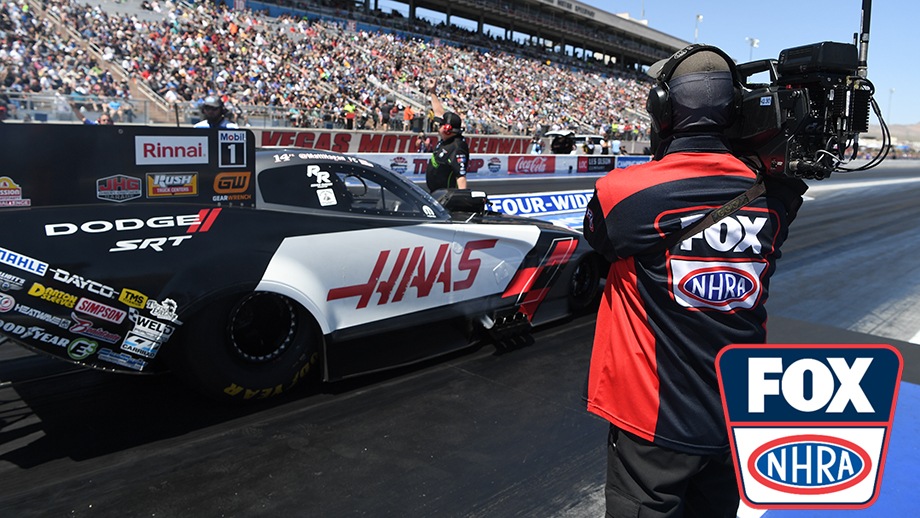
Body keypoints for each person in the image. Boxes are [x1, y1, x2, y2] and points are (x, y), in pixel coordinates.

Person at [582, 44, 807, 518]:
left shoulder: (625, 193)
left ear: (663, 111)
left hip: (655, 419)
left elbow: (603, 242)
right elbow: (777, 205)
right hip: (735, 410)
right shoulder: (774, 197)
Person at [424, 79, 469, 191]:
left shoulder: (457, 148)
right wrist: (433, 92)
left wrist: (462, 199)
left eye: (440, 124)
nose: (438, 126)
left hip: (446, 197)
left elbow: (461, 176)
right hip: (436, 194)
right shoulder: (448, 140)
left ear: (447, 129)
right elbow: (439, 112)